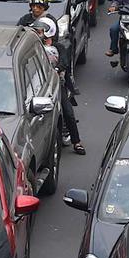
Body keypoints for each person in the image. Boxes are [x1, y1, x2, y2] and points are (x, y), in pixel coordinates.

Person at [28, 13, 85, 155]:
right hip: (39, 87)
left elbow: (64, 62)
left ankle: (76, 142)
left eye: (40, 31)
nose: (37, 34)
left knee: (68, 113)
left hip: (58, 85)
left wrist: (56, 70)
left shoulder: (60, 47)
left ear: (49, 31)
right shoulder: (34, 47)